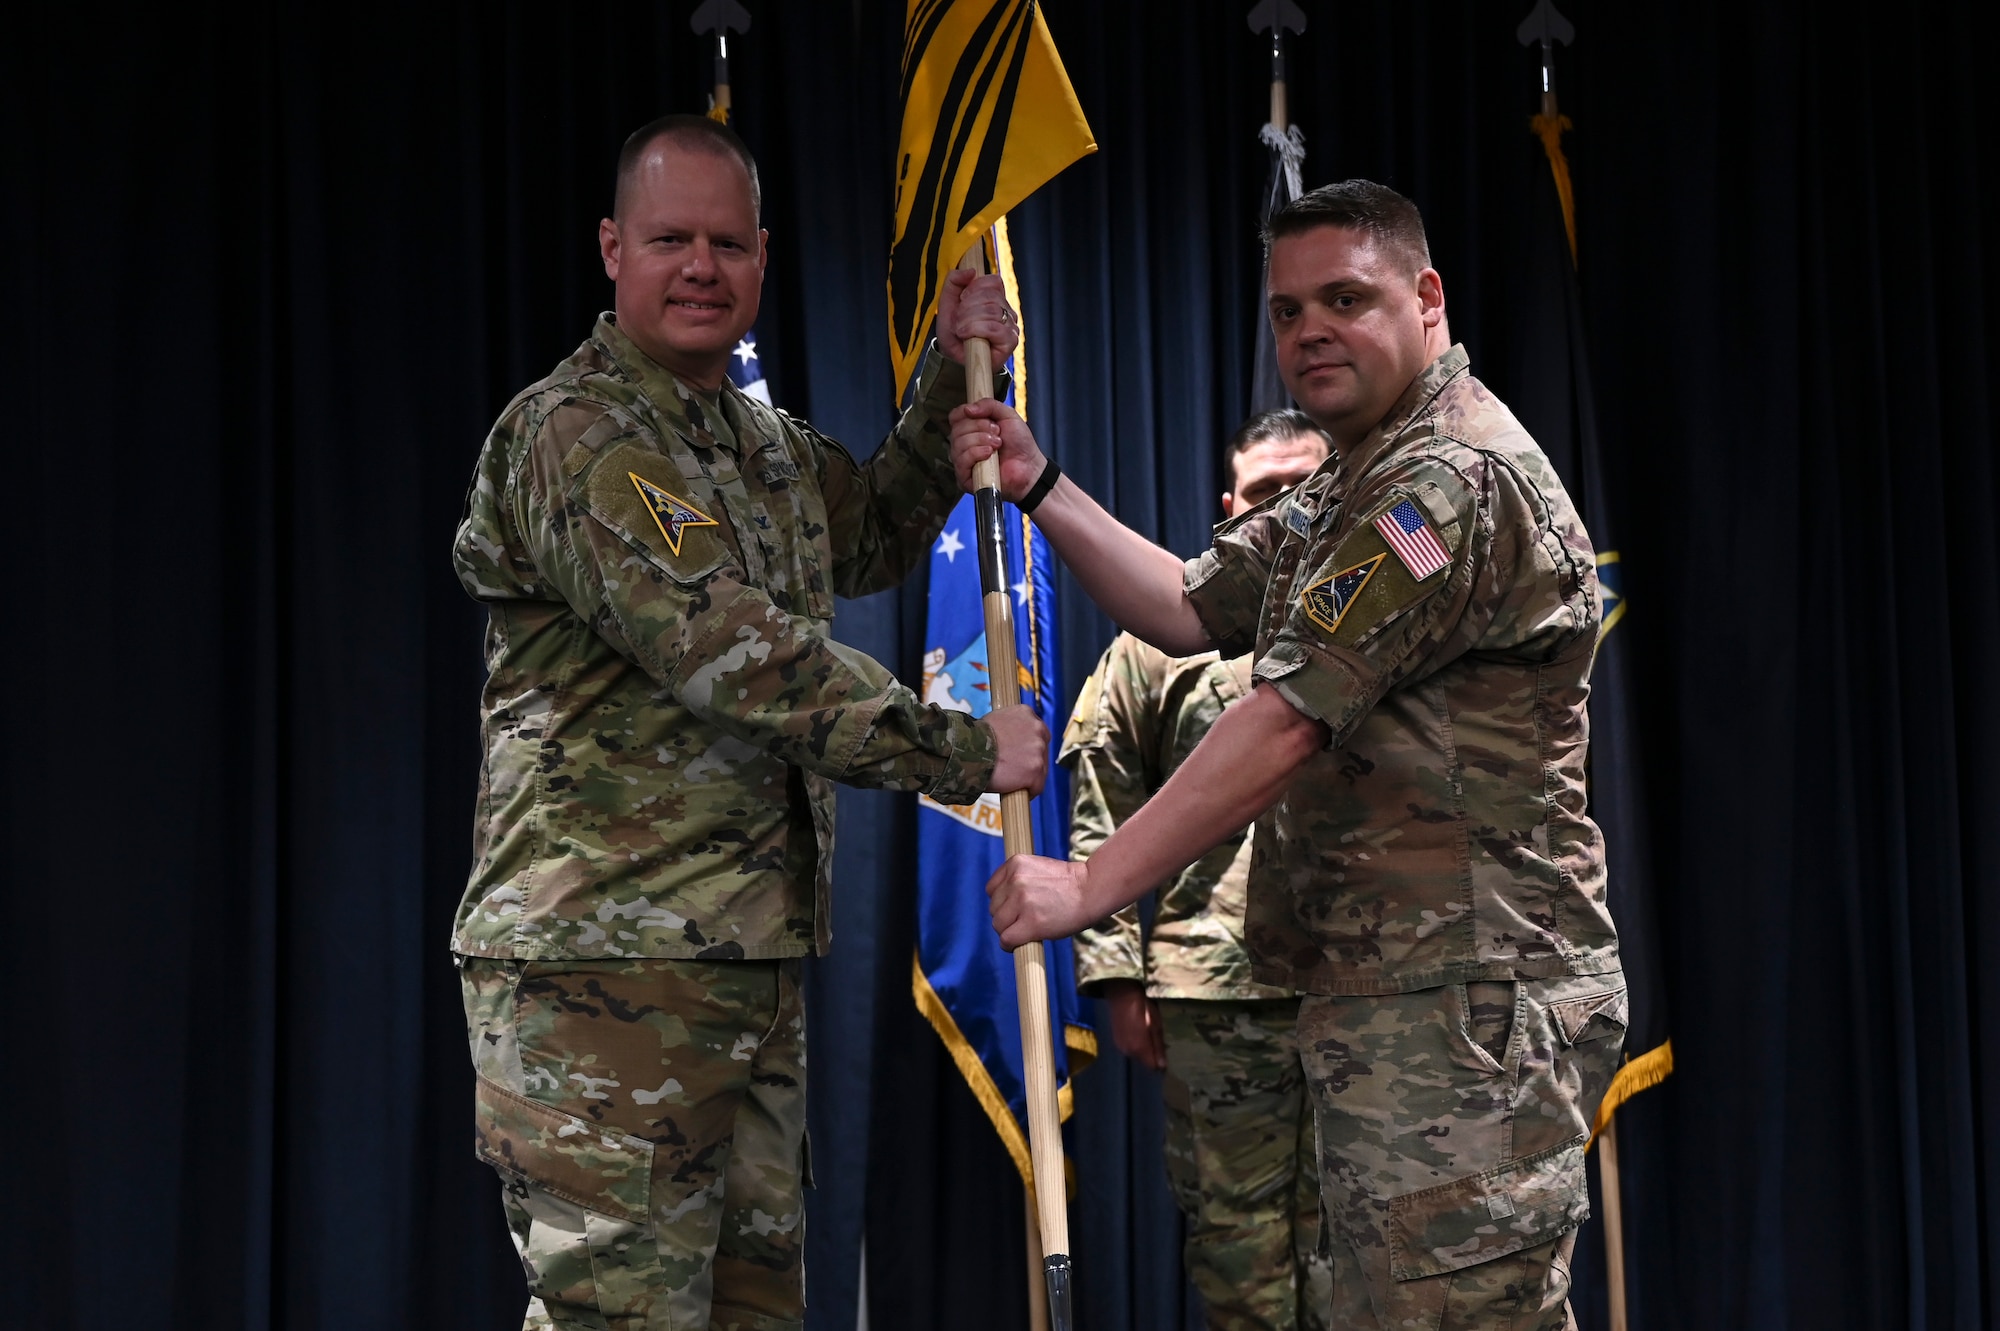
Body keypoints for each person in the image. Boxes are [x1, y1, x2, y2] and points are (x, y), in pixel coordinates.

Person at [950, 180, 1624, 1330]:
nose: (1308, 329)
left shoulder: (1442, 483)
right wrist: (1037, 482)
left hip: (1463, 1009)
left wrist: (1091, 884)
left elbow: (1285, 715)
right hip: (1387, 997)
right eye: (1286, 309)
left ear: (1425, 299)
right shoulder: (1355, 476)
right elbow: (1182, 604)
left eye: (1345, 299)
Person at [450, 113, 1046, 1331]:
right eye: (670, 238)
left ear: (762, 257)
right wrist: (961, 749)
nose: (700, 268)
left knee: (753, 1310)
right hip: (603, 966)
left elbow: (875, 526)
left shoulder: (759, 444)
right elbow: (732, 651)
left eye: (726, 242)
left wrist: (954, 371)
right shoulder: (575, 431)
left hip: (745, 956)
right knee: (621, 1316)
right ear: (612, 247)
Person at [1064, 409, 1331, 1331]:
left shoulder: (1388, 618)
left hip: (1367, 984)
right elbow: (1098, 799)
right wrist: (1115, 973)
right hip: (1214, 991)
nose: (1288, 508)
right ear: (1231, 506)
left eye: (1308, 486)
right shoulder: (1159, 643)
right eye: (1266, 493)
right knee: (1239, 1250)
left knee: (1372, 1248)